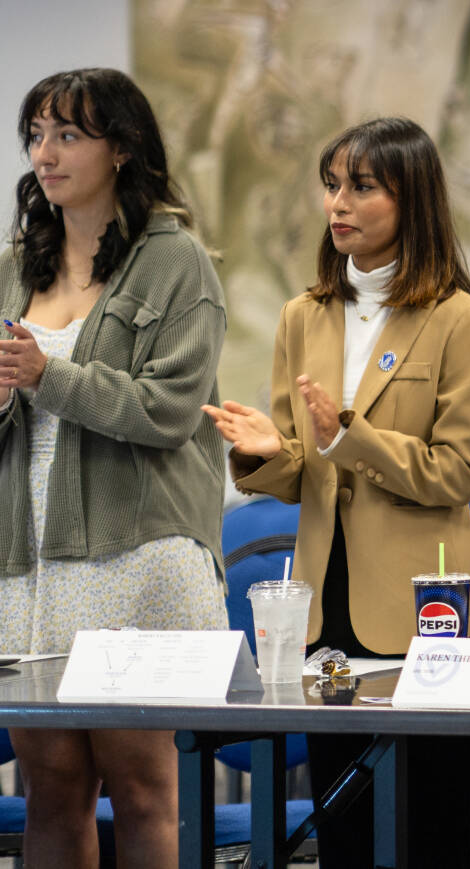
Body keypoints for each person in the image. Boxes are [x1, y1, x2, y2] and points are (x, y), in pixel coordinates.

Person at [207, 117, 470, 869]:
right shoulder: (304, 315)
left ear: (412, 200)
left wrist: (348, 436)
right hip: (324, 616)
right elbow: (307, 469)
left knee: (436, 830)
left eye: (362, 186)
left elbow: (456, 471)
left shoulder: (458, 317)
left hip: (424, 611)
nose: (339, 202)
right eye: (333, 184)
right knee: (348, 837)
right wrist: (267, 454)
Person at [0, 67, 228, 869]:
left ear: (123, 148)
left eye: (68, 133)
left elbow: (170, 411)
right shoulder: (14, 264)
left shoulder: (176, 262)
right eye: (35, 134)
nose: (44, 152)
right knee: (50, 794)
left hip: (138, 560)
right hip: (29, 567)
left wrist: (47, 376)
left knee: (141, 791)